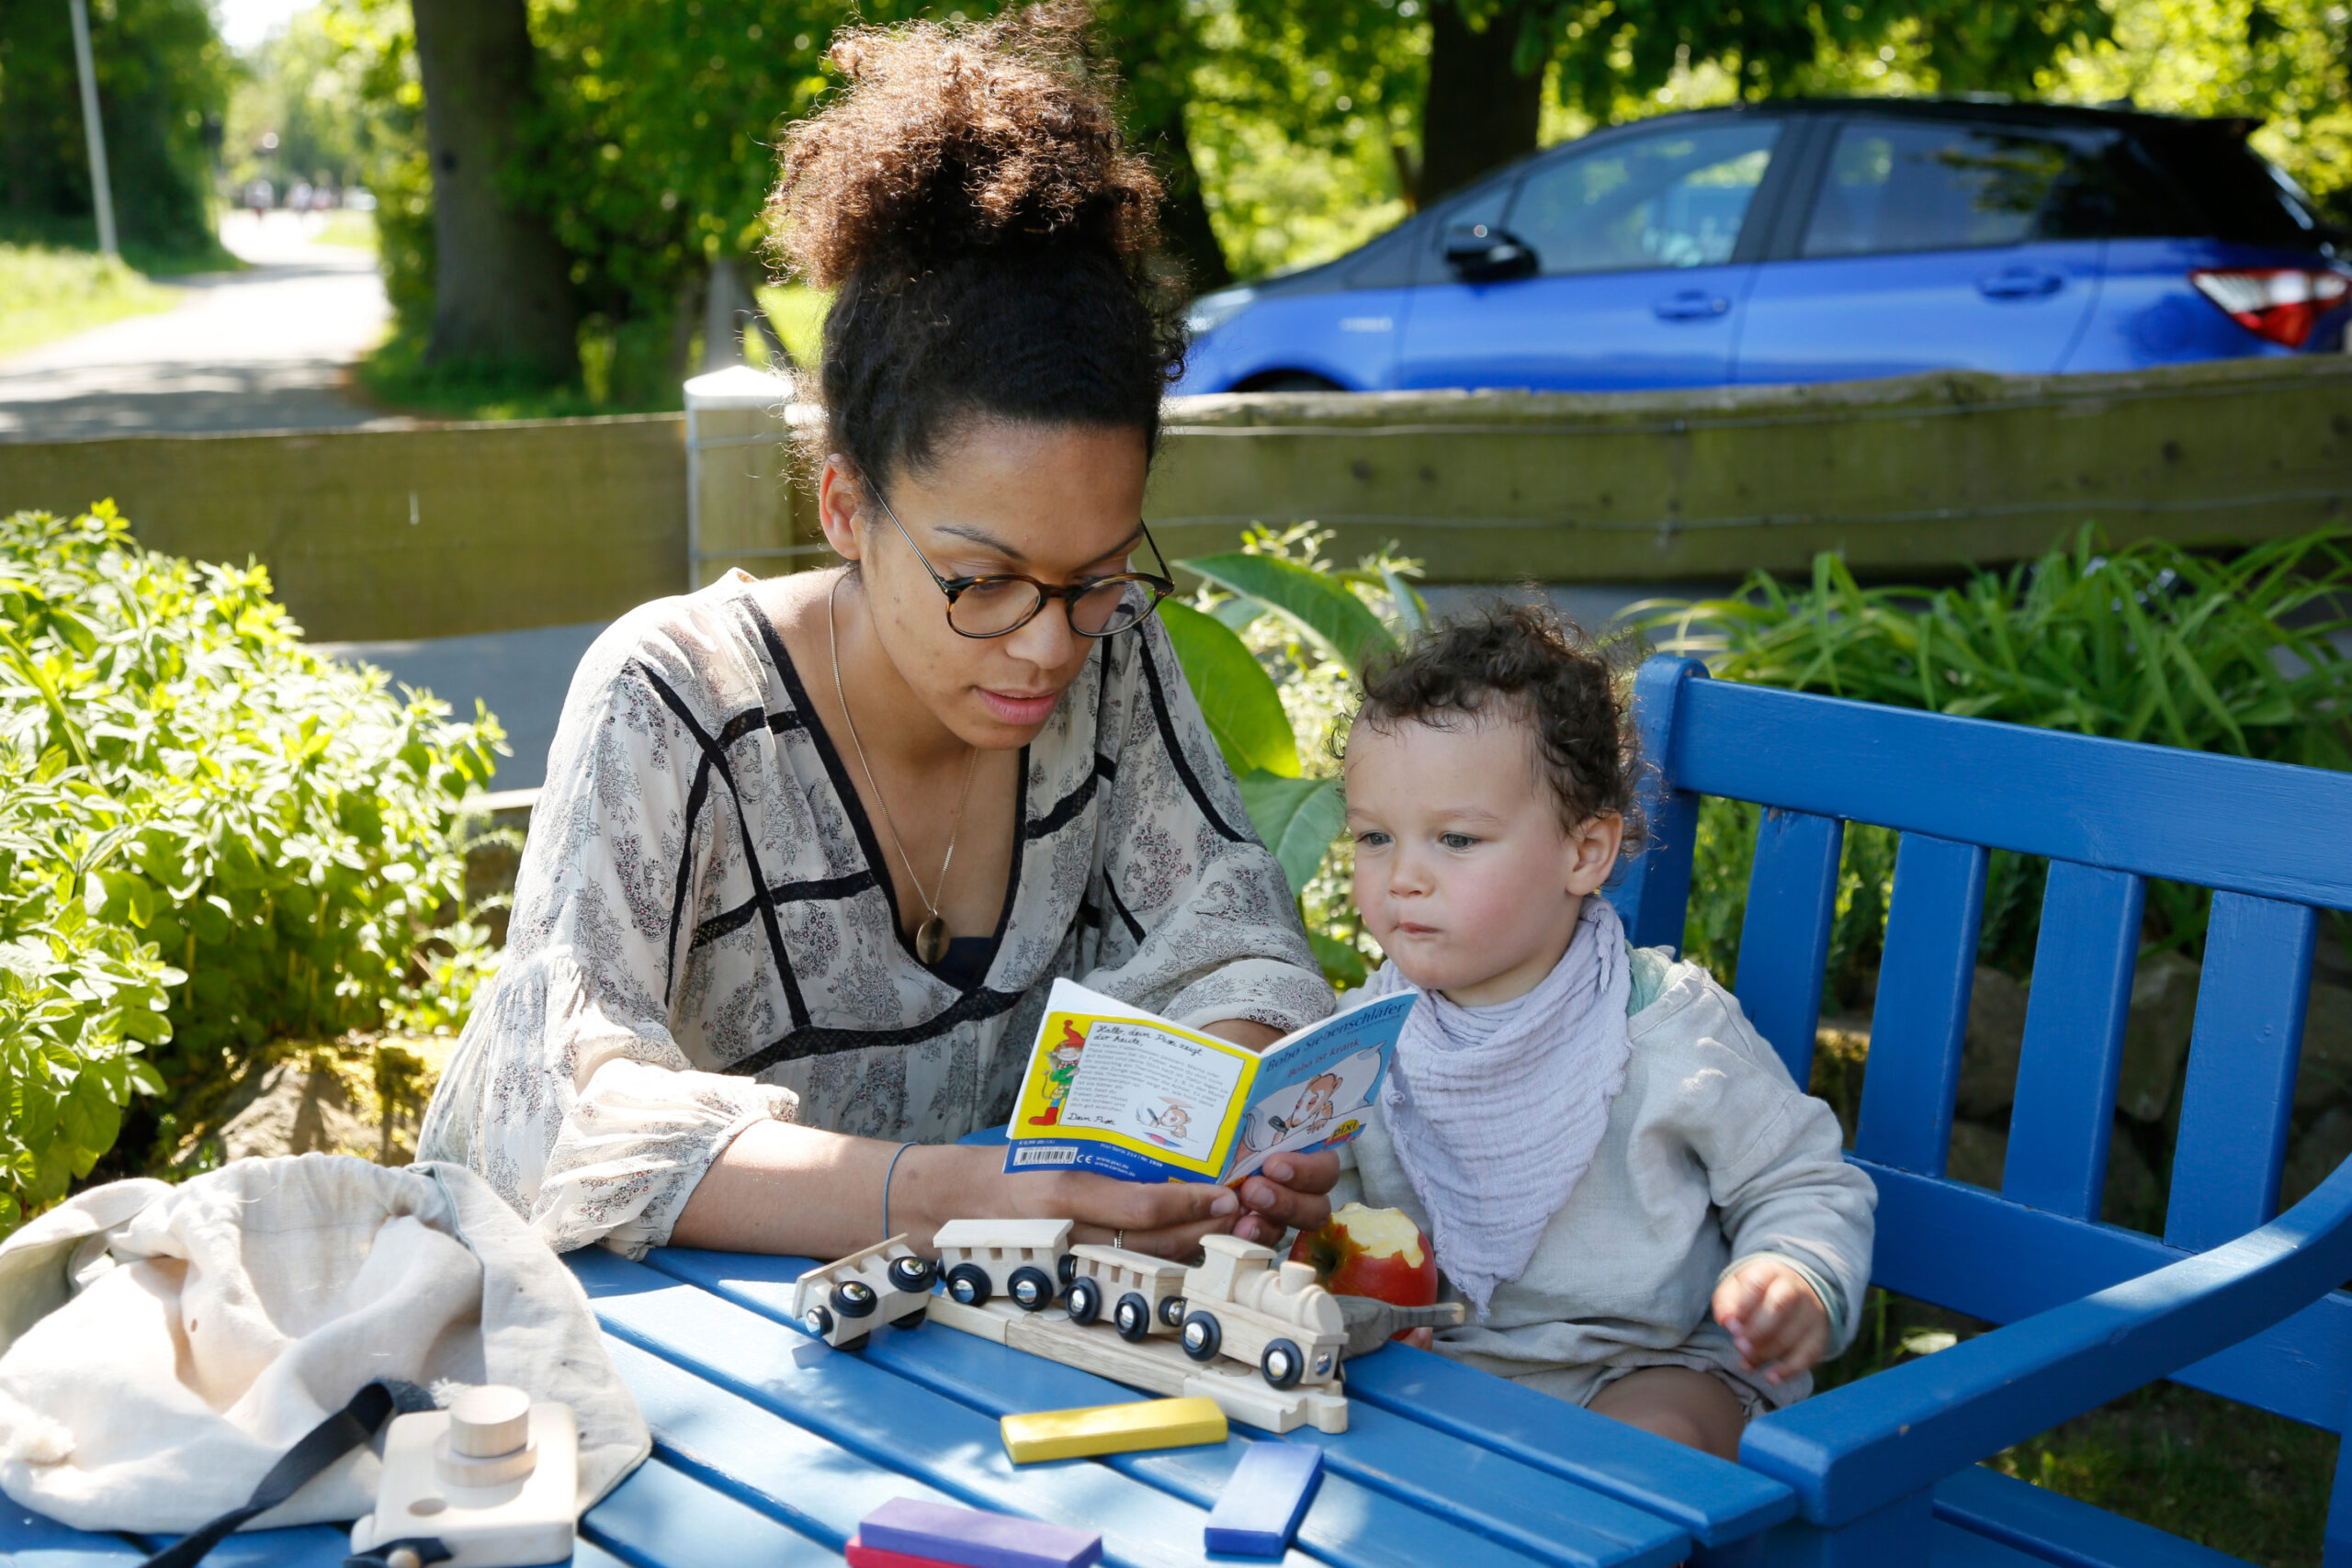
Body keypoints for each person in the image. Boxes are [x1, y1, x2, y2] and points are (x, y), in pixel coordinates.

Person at [417, 9, 1339, 1266]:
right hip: (661, 1351)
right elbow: (557, 1118)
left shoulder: (1115, 652)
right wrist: (955, 1192)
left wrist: (1219, 1131)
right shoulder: (677, 697)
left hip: (973, 1342)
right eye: (984, 580)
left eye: (1095, 574)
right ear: (845, 507)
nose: (1047, 646)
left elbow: (1233, 945)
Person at [1333, 604, 1877, 1459]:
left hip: (1644, 1362)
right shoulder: (1361, 1039)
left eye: (1456, 838)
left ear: (1585, 852)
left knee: (1654, 1443)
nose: (1403, 876)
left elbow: (1802, 1179)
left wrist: (1792, 1272)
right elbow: (1326, 1197)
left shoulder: (1667, 1028)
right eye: (1374, 836)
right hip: (1433, 1368)